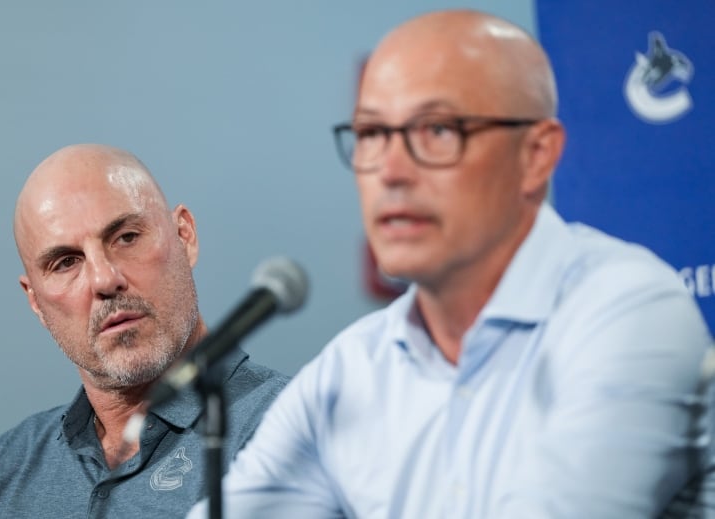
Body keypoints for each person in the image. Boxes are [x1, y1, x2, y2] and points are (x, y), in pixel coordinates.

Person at [187, 9, 713, 519]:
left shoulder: (627, 311)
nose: (390, 171)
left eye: (437, 130)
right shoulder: (351, 369)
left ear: (536, 155)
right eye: (371, 134)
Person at [0, 144, 289, 518]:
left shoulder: (289, 427)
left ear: (184, 235)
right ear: (36, 302)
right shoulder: (2, 473)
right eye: (66, 262)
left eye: (126, 237)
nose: (104, 280)